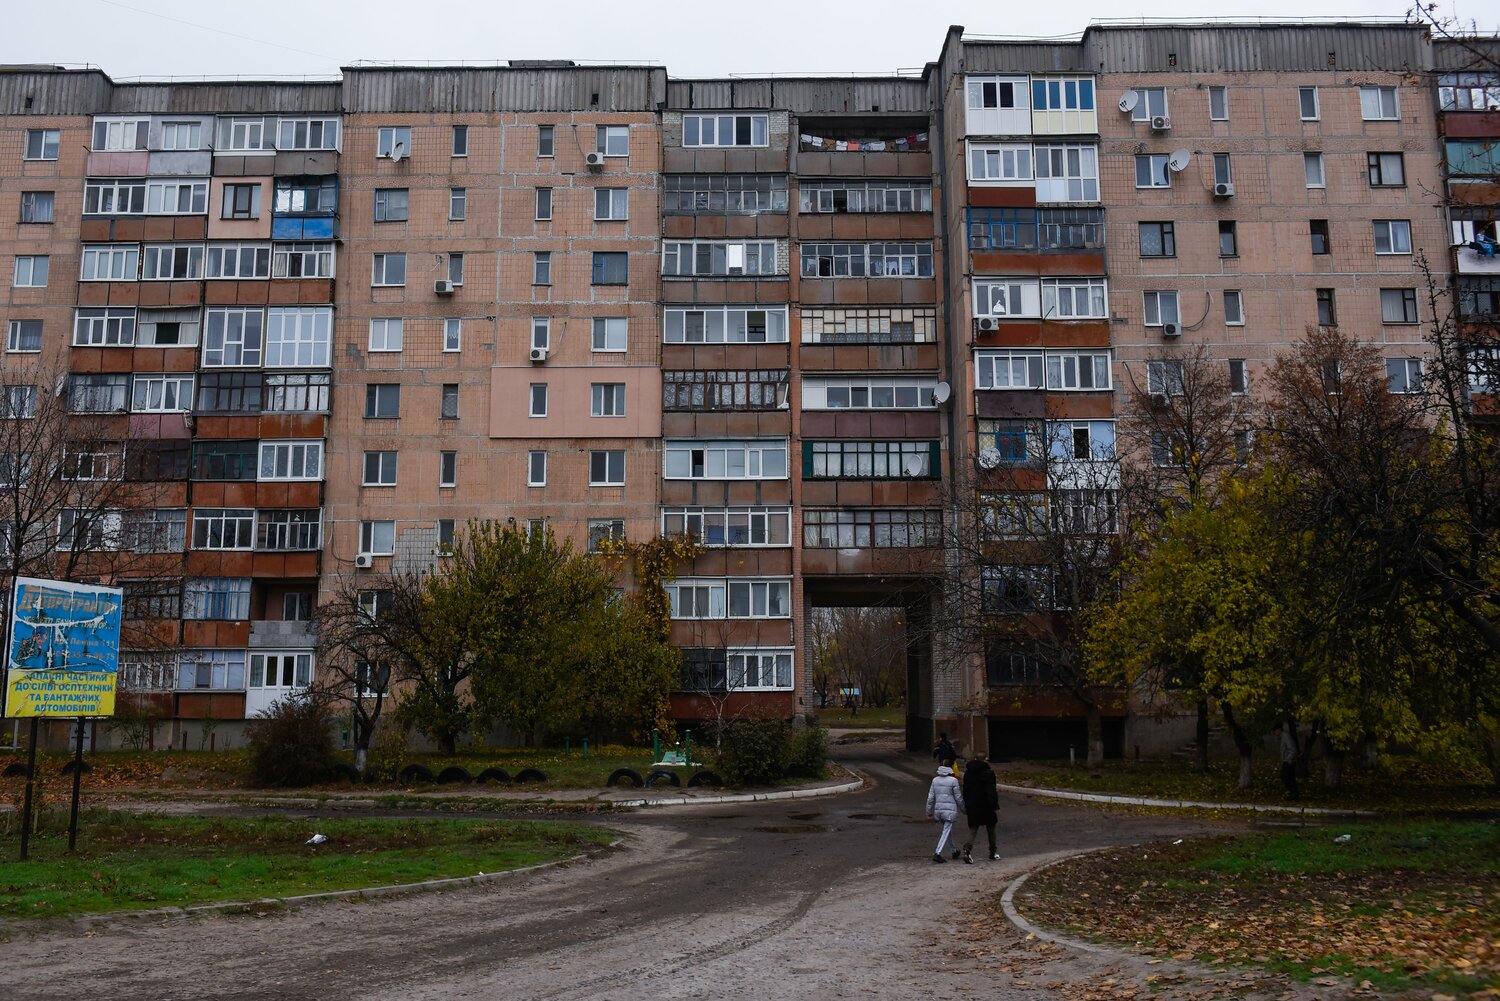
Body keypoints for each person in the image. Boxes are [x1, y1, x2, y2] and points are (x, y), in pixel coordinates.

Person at [960, 751, 1001, 862]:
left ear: (975, 758)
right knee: (991, 828)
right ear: (985, 759)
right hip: (986, 805)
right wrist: (994, 805)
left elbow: (966, 790)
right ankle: (993, 851)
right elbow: (991, 791)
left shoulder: (968, 773)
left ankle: (967, 850)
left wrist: (966, 804)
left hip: (973, 805)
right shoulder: (988, 773)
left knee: (973, 828)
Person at [925, 763, 964, 863]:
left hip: (939, 810)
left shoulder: (935, 780)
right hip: (949, 811)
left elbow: (930, 797)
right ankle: (937, 853)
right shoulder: (953, 781)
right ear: (950, 768)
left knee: (948, 831)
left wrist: (929, 811)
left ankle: (954, 851)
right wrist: (964, 809)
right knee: (946, 831)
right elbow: (958, 797)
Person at [1275, 722, 1300, 801]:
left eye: (1275, 731)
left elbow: (1292, 748)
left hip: (1289, 760)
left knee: (1284, 776)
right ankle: (1294, 794)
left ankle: (1294, 792)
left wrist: (1289, 759)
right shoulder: (1283, 736)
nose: (1274, 733)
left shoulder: (1285, 736)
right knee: (1290, 777)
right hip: (1288, 760)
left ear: (1279, 730)